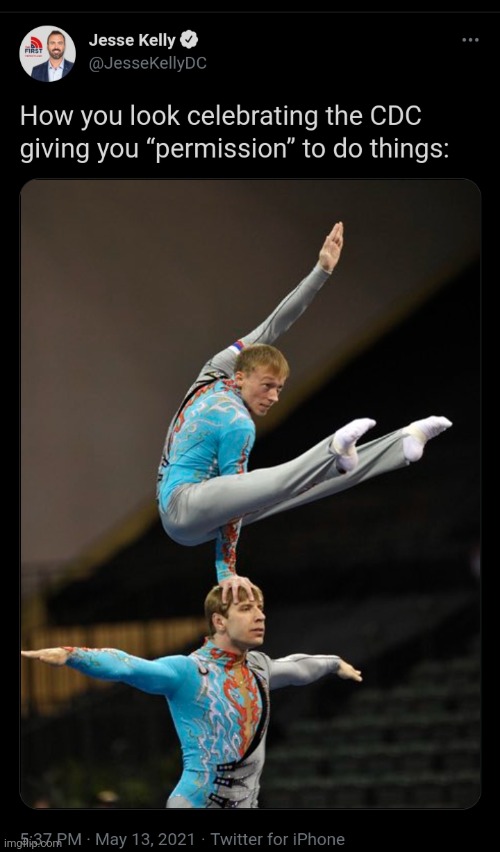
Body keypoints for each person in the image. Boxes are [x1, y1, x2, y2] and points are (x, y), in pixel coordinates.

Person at [156, 223, 452, 599]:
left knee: (302, 488)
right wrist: (225, 570)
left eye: (279, 389)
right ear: (241, 376)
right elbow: (237, 500)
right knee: (281, 481)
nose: (274, 398)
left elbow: (275, 323)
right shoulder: (237, 423)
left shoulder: (219, 368)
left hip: (203, 512)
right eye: (267, 387)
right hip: (181, 506)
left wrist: (321, 271)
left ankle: (400, 445)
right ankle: (332, 449)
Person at [22, 583, 362, 809]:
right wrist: (73, 654)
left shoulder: (259, 667)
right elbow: (128, 665)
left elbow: (299, 667)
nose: (260, 616)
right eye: (247, 608)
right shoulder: (187, 671)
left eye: (260, 608)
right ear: (220, 621)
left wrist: (334, 663)